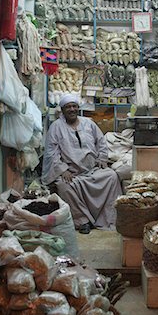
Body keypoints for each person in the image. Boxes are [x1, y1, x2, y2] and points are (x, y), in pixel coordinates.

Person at [41, 94, 122, 234]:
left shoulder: (88, 123)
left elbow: (101, 142)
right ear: (62, 110)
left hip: (92, 170)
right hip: (71, 173)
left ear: (78, 108)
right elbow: (51, 153)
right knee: (63, 185)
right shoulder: (56, 127)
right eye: (68, 107)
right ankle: (82, 220)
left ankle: (109, 218)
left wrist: (102, 158)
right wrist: (62, 170)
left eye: (74, 106)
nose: (72, 109)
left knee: (111, 176)